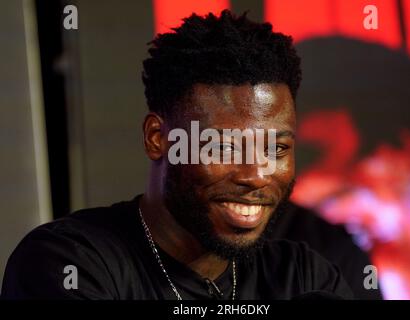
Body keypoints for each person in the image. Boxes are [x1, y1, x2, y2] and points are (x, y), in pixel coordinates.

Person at [1, 10, 353, 300]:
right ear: (158, 138)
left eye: (276, 149)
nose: (257, 175)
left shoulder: (303, 278)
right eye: (225, 146)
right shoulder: (71, 264)